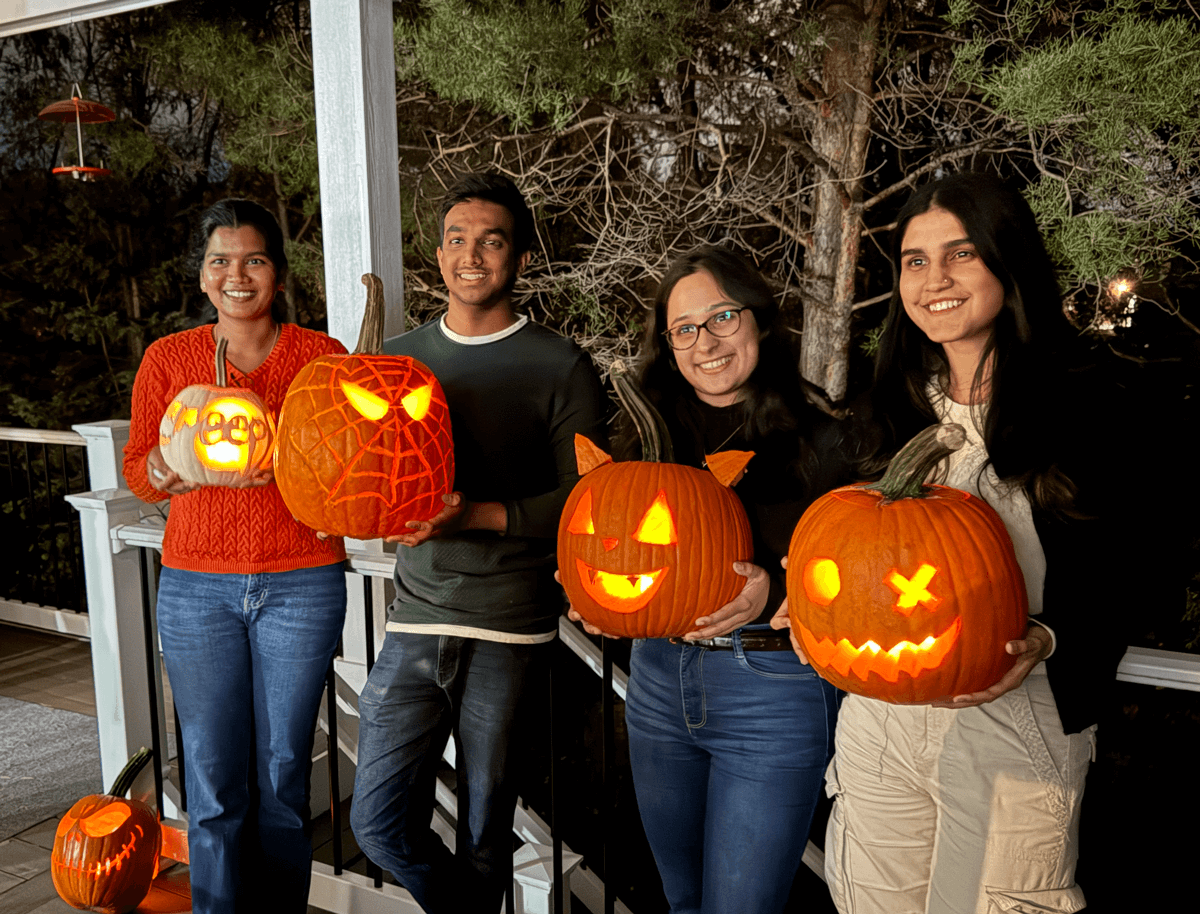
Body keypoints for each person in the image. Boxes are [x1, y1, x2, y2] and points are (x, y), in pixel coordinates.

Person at [813, 172, 1133, 914]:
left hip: (1014, 715)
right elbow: (842, 545)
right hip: (880, 721)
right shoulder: (883, 408)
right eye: (915, 261)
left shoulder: (1086, 400)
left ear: (1007, 260)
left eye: (960, 255)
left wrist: (1052, 637)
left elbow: (1136, 563)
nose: (935, 280)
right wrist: (808, 602)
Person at [349, 173, 606, 914]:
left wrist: (479, 516)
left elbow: (589, 499)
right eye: (457, 240)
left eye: (490, 241)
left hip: (512, 626)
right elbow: (359, 467)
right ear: (438, 257)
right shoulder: (396, 365)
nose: (471, 255)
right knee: (377, 820)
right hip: (416, 617)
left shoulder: (560, 365)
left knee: (488, 831)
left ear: (519, 259)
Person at [576, 246, 847, 914]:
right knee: (683, 898)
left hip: (772, 690)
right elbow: (611, 539)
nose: (707, 341)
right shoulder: (642, 436)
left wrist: (776, 595)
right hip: (659, 684)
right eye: (685, 329)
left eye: (723, 317)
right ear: (668, 346)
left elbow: (869, 576)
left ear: (758, 321)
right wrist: (591, 595)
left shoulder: (823, 441)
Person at [123, 199, 348, 912]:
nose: (236, 274)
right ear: (202, 277)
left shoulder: (322, 356)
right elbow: (139, 470)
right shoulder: (170, 359)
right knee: (215, 779)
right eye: (220, 260)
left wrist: (293, 460)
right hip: (197, 589)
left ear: (277, 275)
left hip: (302, 582)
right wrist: (175, 464)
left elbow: (350, 461)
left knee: (284, 772)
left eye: (253, 259)